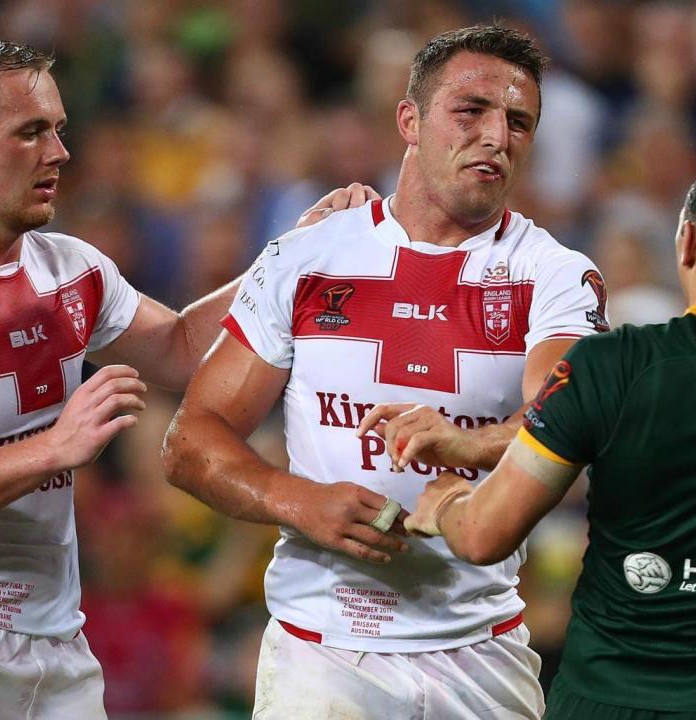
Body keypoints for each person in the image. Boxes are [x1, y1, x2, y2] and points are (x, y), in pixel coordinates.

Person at [0, 38, 372, 720]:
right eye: (29, 132)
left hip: (57, 651)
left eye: (58, 130)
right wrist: (54, 449)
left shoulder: (71, 269)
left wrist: (291, 256)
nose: (58, 152)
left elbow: (181, 348)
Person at [163, 25, 611, 719]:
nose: (497, 135)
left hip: (481, 652)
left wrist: (473, 442)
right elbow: (191, 439)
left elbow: (572, 414)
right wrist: (295, 500)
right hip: (323, 655)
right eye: (471, 111)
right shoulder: (308, 256)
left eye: (519, 122)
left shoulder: (553, 275)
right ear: (409, 120)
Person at [402, 141, 696, 720]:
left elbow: (484, 535)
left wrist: (447, 502)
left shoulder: (610, 366)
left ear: (686, 242)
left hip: (614, 697)